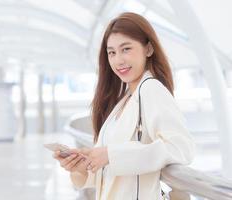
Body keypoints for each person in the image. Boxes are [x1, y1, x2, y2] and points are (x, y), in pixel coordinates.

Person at [53, 12, 195, 200]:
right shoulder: (124, 100)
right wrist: (81, 168)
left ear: (149, 49)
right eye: (111, 52)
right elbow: (111, 173)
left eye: (126, 49)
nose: (118, 60)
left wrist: (112, 155)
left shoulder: (151, 89)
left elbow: (181, 148)